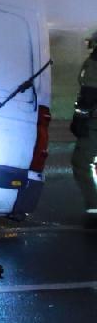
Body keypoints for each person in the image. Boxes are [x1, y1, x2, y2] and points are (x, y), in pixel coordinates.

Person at [70, 31, 97, 222]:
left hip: (94, 122)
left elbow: (89, 94)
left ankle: (94, 207)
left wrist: (79, 119)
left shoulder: (95, 62)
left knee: (81, 162)